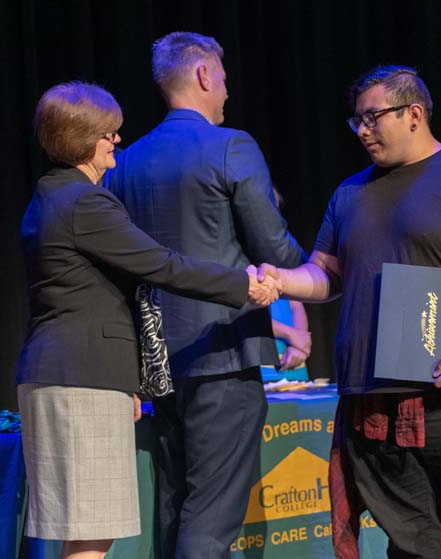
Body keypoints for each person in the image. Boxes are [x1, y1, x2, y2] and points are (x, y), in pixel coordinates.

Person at [265, 65, 441, 559]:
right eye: (357, 122)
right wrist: (280, 280)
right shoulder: (350, 192)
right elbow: (326, 276)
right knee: (409, 544)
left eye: (373, 118)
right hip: (374, 398)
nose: (362, 131)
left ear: (414, 114)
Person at [16, 81, 278, 559]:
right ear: (86, 139)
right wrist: (244, 285)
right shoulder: (85, 203)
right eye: (109, 133)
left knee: (85, 531)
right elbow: (162, 265)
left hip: (63, 371)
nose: (117, 140)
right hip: (82, 377)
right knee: (91, 534)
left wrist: (130, 380)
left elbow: (93, 293)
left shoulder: (48, 199)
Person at [105, 32, 306, 559]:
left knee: (178, 503)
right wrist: (323, 264)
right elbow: (274, 250)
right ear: (203, 76)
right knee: (212, 519)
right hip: (223, 350)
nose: (226, 92)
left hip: (158, 359)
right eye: (223, 78)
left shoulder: (123, 164)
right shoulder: (230, 146)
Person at [261, 188, 311, 382]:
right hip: (264, 355)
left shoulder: (281, 252)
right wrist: (291, 334)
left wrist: (299, 344)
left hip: (293, 355)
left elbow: (296, 305)